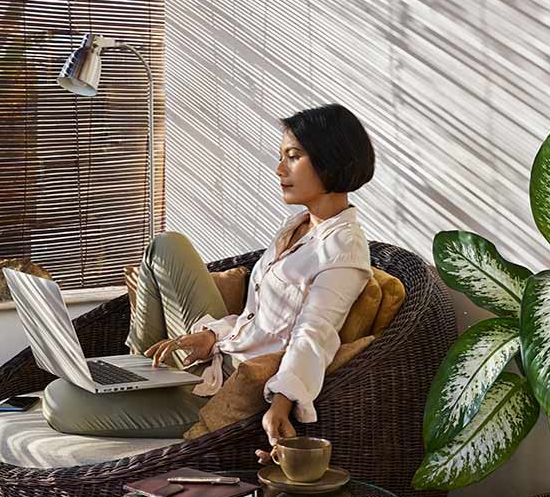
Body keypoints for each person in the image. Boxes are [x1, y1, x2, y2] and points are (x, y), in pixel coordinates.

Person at [43, 103, 374, 456]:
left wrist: (281, 403)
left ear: (332, 159)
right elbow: (256, 321)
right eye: (281, 156)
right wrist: (209, 335)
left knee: (60, 400)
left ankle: (139, 378)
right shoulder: (296, 227)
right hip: (219, 351)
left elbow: (314, 334)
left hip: (225, 387)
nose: (279, 169)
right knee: (167, 245)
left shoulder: (343, 250)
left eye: (292, 157)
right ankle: (138, 369)